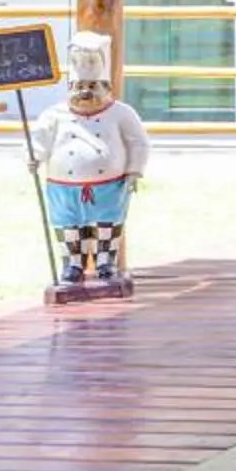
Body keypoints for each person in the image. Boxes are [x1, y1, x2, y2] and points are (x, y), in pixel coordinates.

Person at [31, 30, 152, 297]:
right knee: (69, 227)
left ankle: (105, 264)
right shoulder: (54, 115)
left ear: (107, 88)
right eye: (79, 87)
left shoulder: (121, 113)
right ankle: (72, 266)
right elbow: (39, 139)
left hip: (109, 185)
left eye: (92, 87)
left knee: (107, 226)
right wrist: (34, 156)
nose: (85, 92)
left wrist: (134, 171)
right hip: (64, 185)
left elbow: (139, 143)